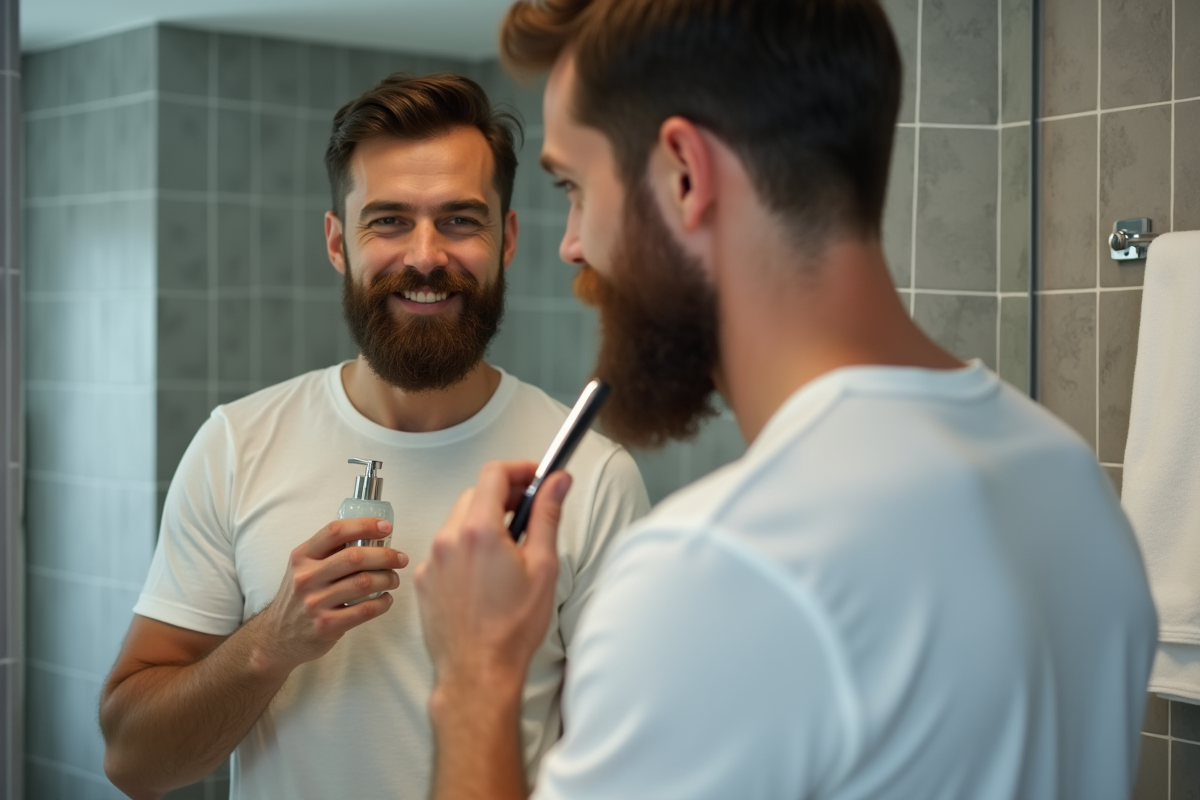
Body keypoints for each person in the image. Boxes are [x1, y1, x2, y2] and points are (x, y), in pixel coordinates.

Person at [412, 2, 1159, 799]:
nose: (571, 244)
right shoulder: (1069, 481)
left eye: (575, 188)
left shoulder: (718, 571)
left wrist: (477, 680)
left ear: (684, 174)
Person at [99, 72, 648, 800]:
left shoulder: (593, 479)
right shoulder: (237, 445)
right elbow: (134, 764)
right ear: (337, 242)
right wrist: (272, 642)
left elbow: (626, 774)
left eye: (460, 220)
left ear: (508, 239)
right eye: (388, 220)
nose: (425, 256)